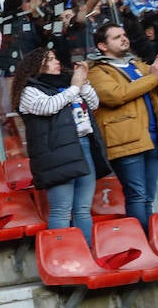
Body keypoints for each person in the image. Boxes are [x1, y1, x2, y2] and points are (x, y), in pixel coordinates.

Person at [87, 23, 158, 229]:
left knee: (147, 196)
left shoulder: (138, 65)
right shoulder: (97, 72)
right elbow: (116, 95)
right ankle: (142, 242)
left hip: (152, 139)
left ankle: (148, 240)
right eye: (116, 37)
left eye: (124, 34)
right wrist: (153, 76)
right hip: (125, 141)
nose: (124, 39)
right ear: (102, 46)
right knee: (137, 195)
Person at [10, 48, 108, 235]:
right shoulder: (30, 90)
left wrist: (83, 81)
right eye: (51, 59)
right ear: (38, 64)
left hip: (84, 145)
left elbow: (94, 104)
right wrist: (75, 87)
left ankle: (86, 255)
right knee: (61, 210)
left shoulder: (69, 84)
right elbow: (49, 106)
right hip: (56, 153)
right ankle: (62, 258)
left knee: (82, 209)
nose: (57, 62)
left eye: (56, 58)